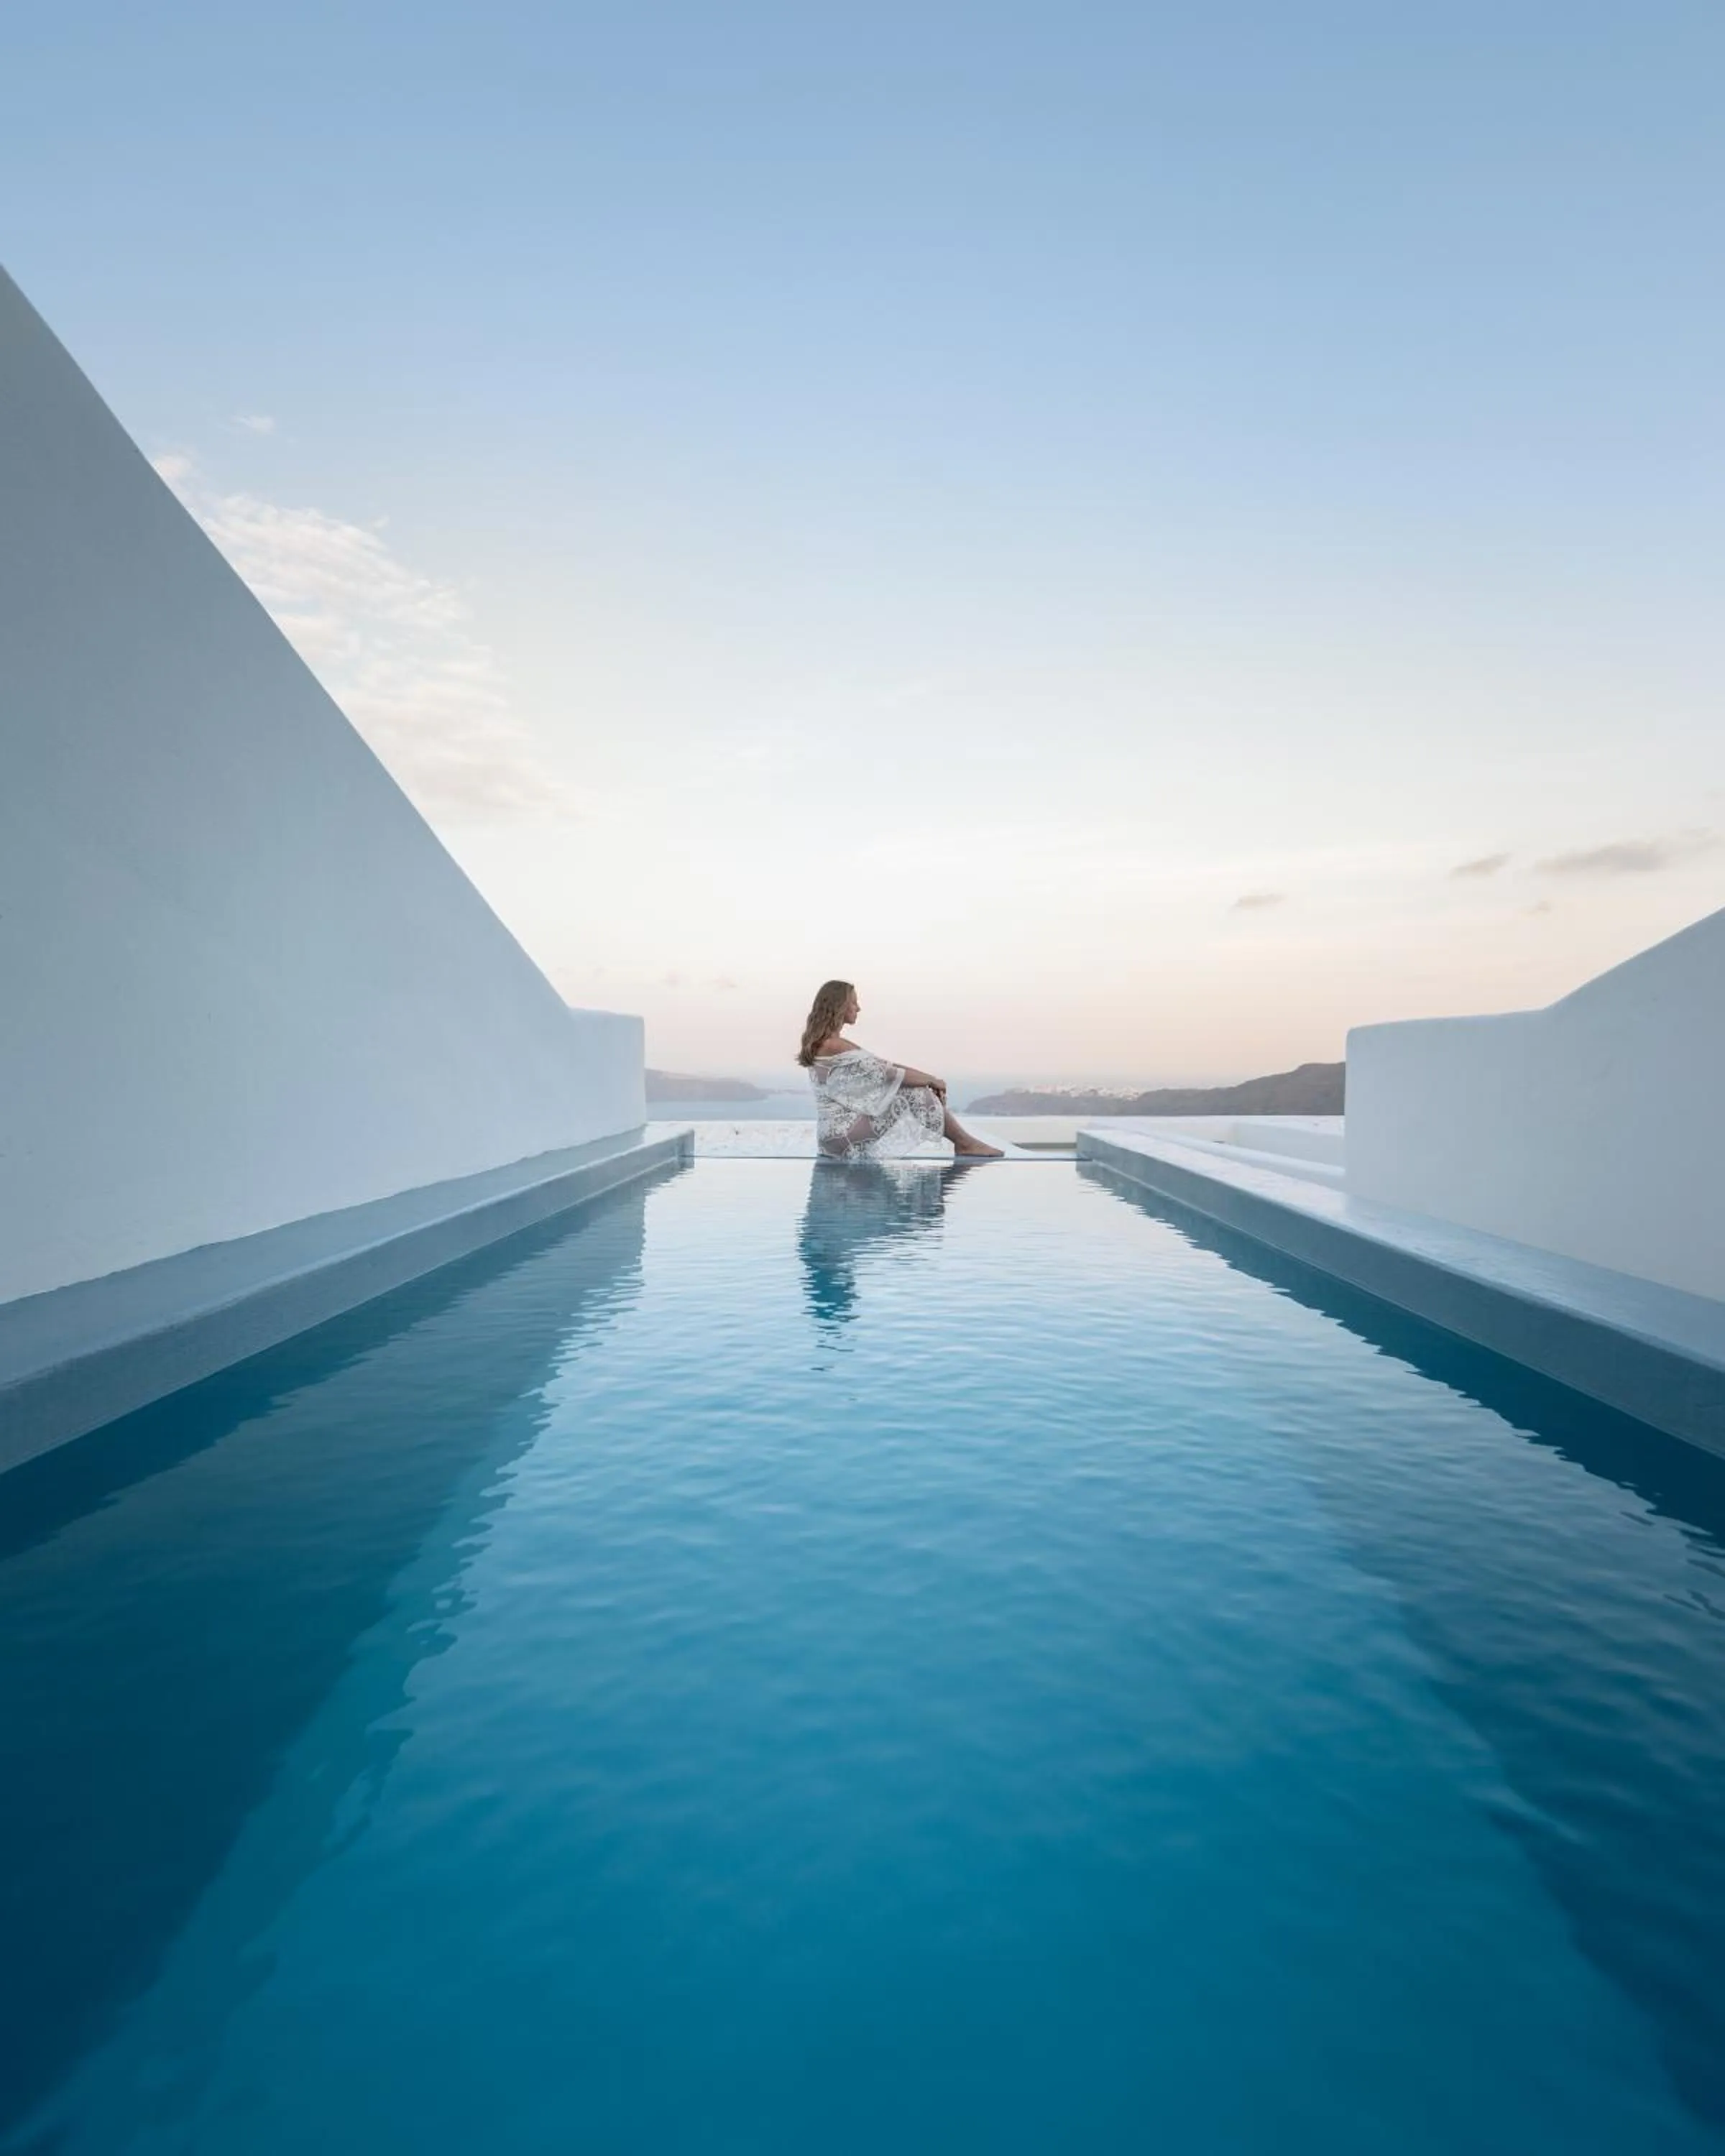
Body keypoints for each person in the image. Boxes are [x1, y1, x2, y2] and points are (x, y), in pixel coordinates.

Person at [796, 980, 1004, 1160]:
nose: (858, 1008)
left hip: (833, 1138)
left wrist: (930, 1079)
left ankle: (965, 1143)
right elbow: (889, 1073)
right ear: (839, 1007)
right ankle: (965, 1144)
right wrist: (931, 1082)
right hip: (842, 1134)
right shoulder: (834, 1045)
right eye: (854, 1002)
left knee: (914, 1089)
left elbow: (887, 1067)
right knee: (916, 1094)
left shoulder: (829, 1043)